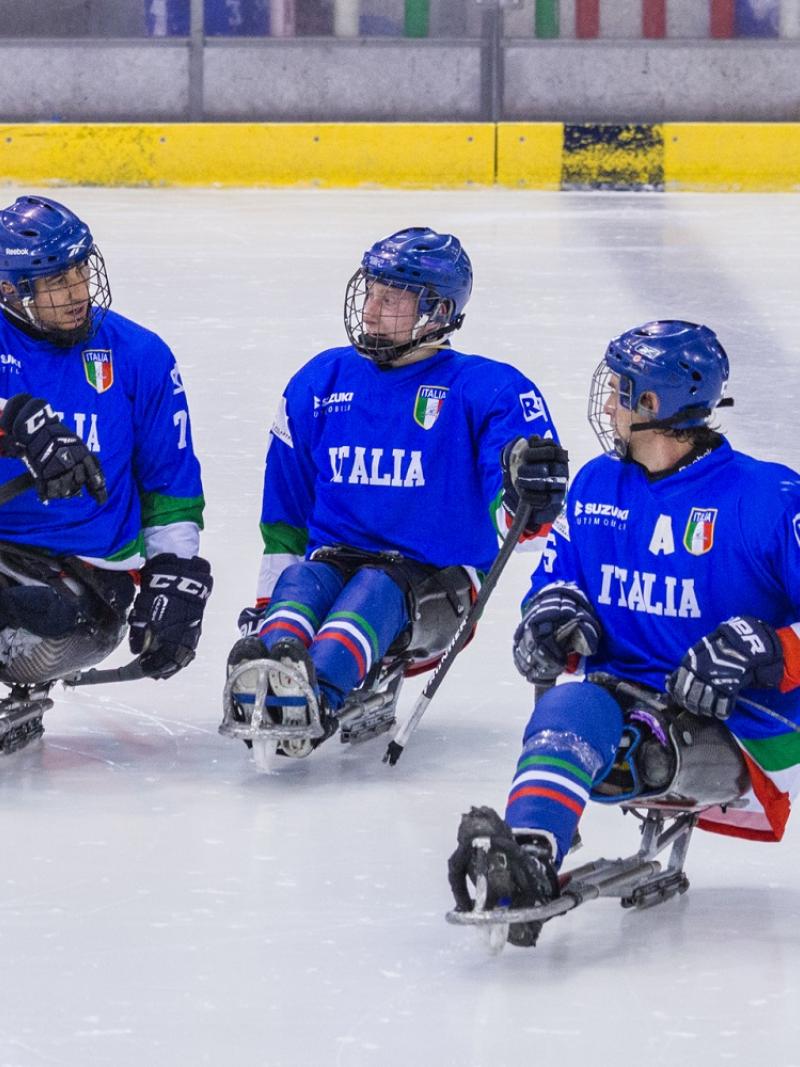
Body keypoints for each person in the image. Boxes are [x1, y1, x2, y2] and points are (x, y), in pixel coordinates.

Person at [448, 319, 800, 948]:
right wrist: (549, 613)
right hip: (619, 699)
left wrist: (769, 645)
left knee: (639, 747)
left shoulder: (770, 499)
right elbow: (557, 579)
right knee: (570, 706)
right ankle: (527, 856)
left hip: (732, 726)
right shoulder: (593, 485)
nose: (607, 403)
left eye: (620, 389)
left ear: (654, 404)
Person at [224, 226, 568, 759]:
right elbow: (286, 511)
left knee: (375, 590)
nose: (370, 308)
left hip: (435, 583)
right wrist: (269, 603)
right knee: (303, 579)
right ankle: (269, 666)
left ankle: (313, 695)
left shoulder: (489, 390)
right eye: (371, 292)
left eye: (392, 298)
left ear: (435, 310)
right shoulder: (322, 380)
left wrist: (529, 492)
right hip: (337, 561)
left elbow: (519, 521)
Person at [0, 194, 212, 750]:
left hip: (84, 588)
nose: (77, 292)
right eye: (55, 280)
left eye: (80, 270)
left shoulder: (139, 355)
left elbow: (171, 487)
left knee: (35, 614)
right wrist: (8, 420)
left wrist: (173, 577)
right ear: (10, 291)